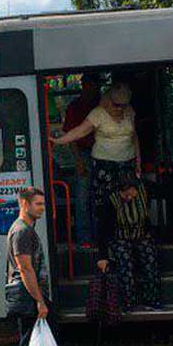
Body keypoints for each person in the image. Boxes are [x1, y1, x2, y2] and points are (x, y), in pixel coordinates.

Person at [50, 83, 140, 224]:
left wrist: (138, 161)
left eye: (123, 105)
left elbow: (134, 136)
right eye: (116, 104)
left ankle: (127, 235)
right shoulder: (98, 113)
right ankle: (102, 238)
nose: (120, 108)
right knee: (105, 202)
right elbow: (79, 131)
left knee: (129, 200)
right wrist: (58, 140)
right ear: (108, 100)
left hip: (128, 163)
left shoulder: (129, 111)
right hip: (105, 164)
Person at [6, 186, 58, 346]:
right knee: (28, 343)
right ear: (25, 204)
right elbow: (25, 268)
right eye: (38, 204)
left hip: (35, 293)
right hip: (29, 295)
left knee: (39, 338)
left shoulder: (27, 228)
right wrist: (39, 301)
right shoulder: (21, 231)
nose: (42, 208)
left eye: (43, 204)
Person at [95, 172, 162, 311]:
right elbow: (103, 229)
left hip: (142, 234)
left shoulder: (146, 189)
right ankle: (128, 301)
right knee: (125, 262)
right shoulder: (110, 199)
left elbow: (166, 190)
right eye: (126, 195)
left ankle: (152, 299)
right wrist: (102, 256)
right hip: (120, 237)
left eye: (132, 193)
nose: (129, 197)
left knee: (150, 258)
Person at [61, 73, 101, 246]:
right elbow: (70, 137)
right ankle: (85, 238)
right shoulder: (75, 107)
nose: (93, 88)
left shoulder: (103, 104)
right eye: (90, 84)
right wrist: (78, 161)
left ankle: (101, 236)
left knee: (100, 197)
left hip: (103, 154)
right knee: (83, 198)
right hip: (84, 153)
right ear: (84, 85)